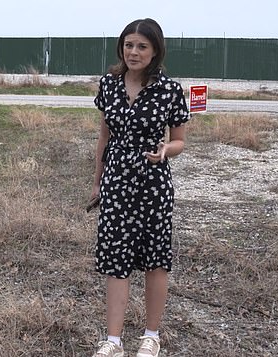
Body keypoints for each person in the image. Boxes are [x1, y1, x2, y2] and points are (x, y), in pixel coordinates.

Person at [90, 18, 190, 357]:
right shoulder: (108, 84)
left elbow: (179, 141)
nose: (133, 52)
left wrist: (165, 150)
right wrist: (97, 183)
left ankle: (151, 336)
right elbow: (104, 137)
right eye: (129, 45)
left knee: (155, 260)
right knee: (116, 259)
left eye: (141, 46)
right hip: (116, 181)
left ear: (155, 51)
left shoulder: (170, 91)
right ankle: (113, 341)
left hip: (153, 183)